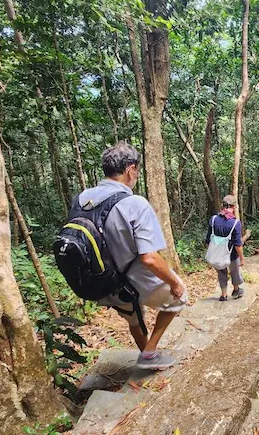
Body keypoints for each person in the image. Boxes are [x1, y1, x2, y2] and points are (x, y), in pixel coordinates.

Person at [76, 142, 188, 370]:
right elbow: (149, 258)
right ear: (131, 170)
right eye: (137, 170)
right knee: (179, 297)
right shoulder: (135, 203)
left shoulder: (81, 199)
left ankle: (147, 354)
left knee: (133, 316)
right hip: (135, 280)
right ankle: (149, 353)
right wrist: (175, 282)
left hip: (101, 281)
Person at [206, 195, 245, 301]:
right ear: (233, 207)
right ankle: (236, 290)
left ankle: (223, 295)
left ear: (222, 206)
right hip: (231, 255)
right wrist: (242, 258)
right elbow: (237, 244)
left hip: (217, 254)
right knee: (235, 271)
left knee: (221, 272)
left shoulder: (213, 219)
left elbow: (208, 238)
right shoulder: (235, 223)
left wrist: (212, 252)